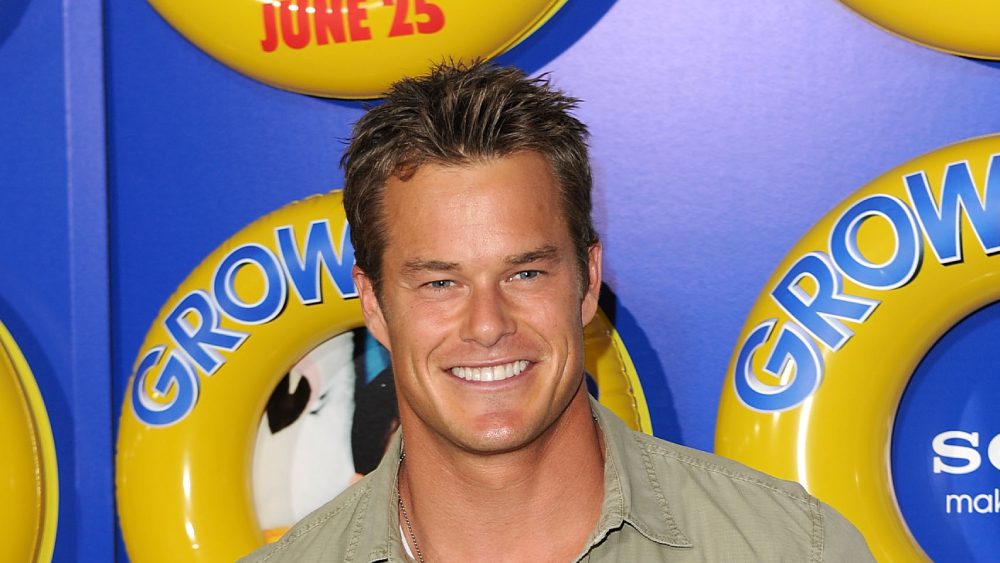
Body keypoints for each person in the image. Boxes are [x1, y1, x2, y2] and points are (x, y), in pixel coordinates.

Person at [241, 61, 874, 562]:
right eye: (440, 283)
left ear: (588, 280)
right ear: (374, 304)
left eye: (525, 273)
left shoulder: (788, 549)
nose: (487, 325)